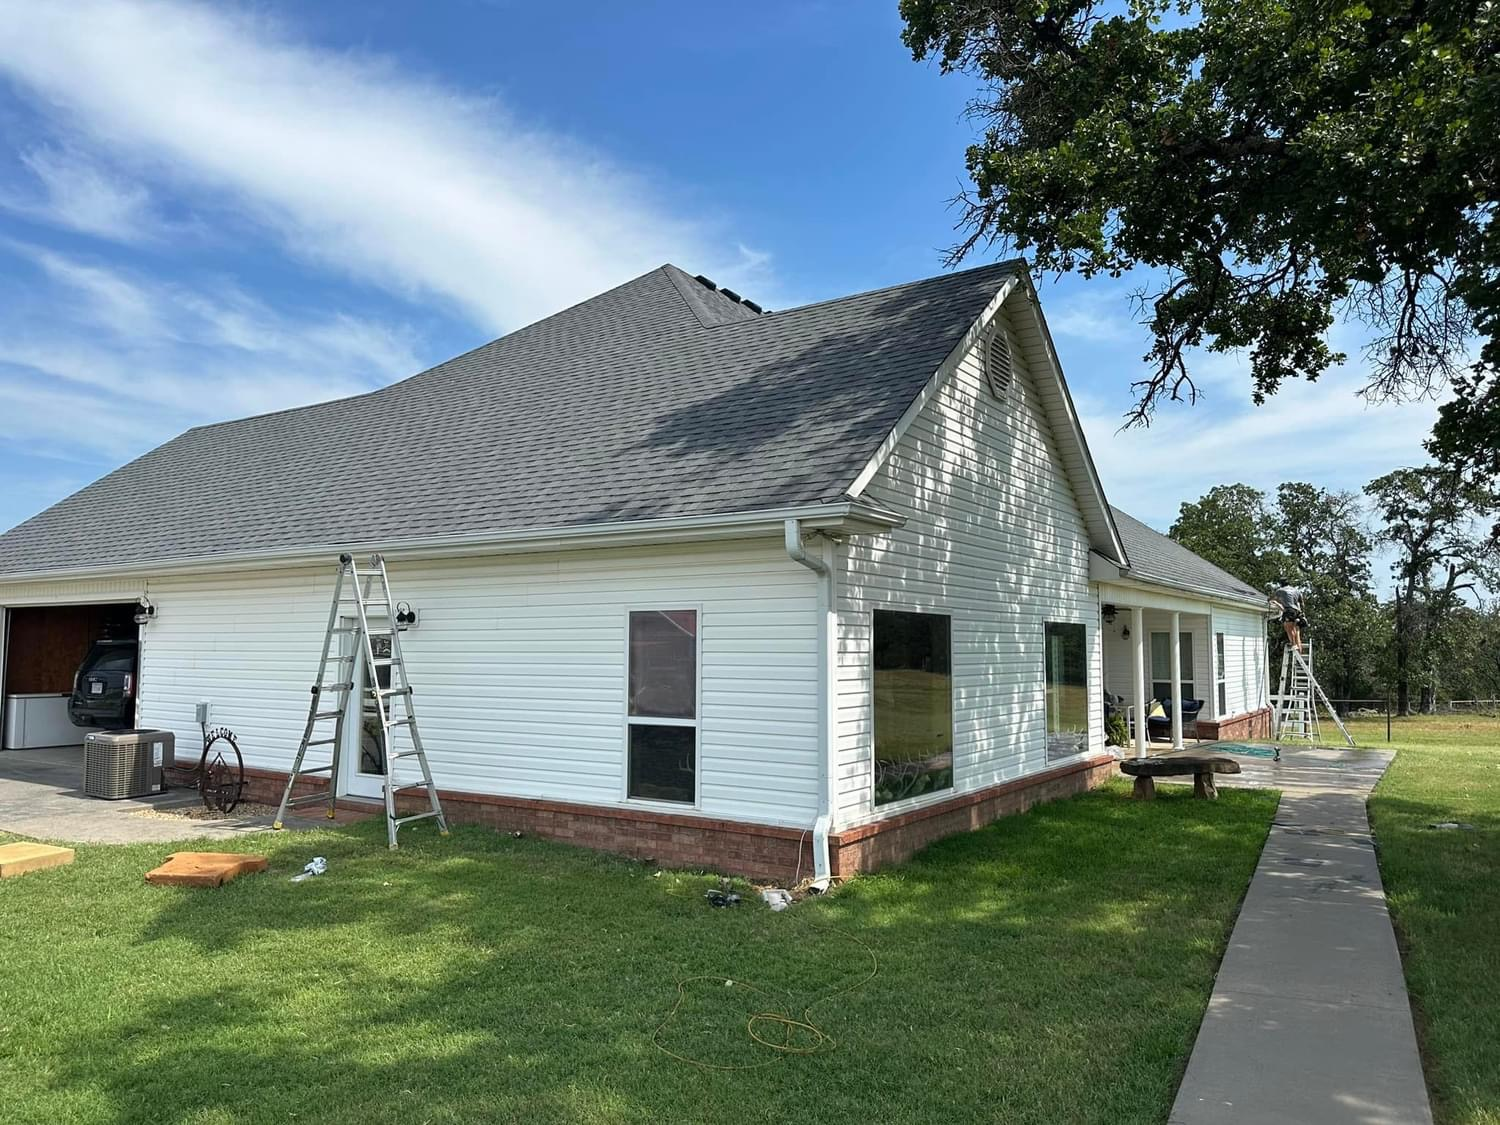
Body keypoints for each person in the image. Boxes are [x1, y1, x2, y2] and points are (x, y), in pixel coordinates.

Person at [1267, 578, 1308, 652]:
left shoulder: (1280, 590)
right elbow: (1302, 603)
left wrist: (1269, 600)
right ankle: (1298, 649)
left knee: (1288, 628)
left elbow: (1272, 597)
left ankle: (1293, 644)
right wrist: (1303, 613)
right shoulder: (1296, 590)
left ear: (1281, 584)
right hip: (1297, 611)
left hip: (1289, 610)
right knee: (1295, 631)